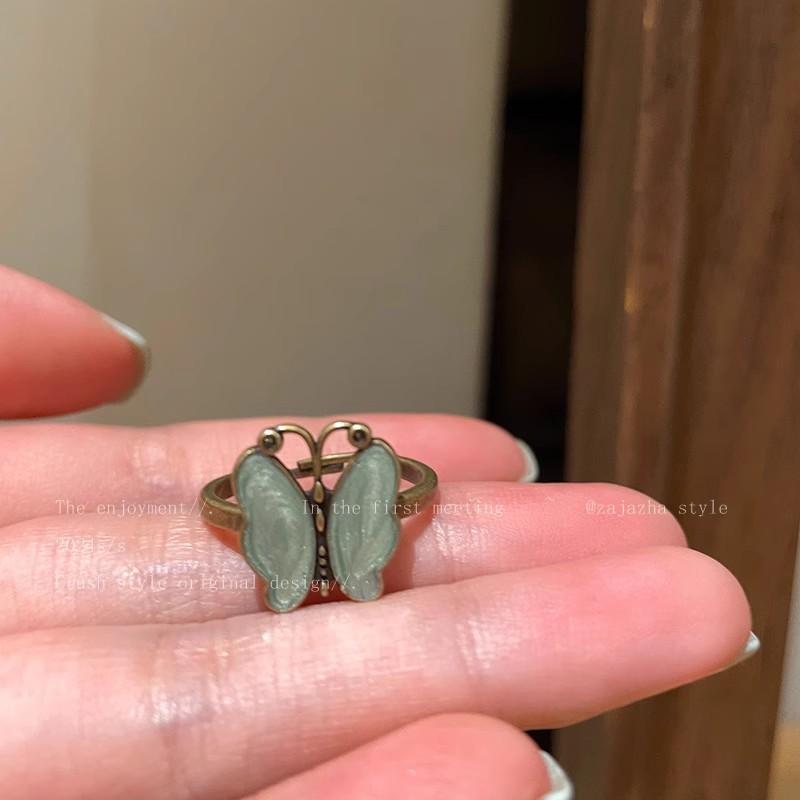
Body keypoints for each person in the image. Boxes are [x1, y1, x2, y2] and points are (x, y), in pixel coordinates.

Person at [0, 264, 753, 799]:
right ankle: (328, 567)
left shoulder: (330, 479)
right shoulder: (321, 481)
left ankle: (306, 568)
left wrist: (298, 529)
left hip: (306, 556)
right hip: (326, 552)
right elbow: (242, 500)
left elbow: (399, 487)